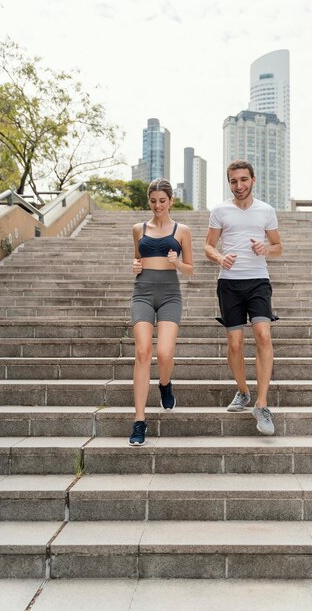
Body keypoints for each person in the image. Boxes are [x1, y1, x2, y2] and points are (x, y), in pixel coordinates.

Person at [204, 160, 282, 435]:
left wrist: (266, 249)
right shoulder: (220, 211)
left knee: (263, 335)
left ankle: (261, 405)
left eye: (243, 180)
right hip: (229, 284)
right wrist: (220, 257)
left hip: (258, 281)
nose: (239, 186)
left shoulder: (266, 211)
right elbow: (208, 246)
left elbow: (278, 246)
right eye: (234, 181)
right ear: (229, 183)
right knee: (235, 344)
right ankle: (242, 391)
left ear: (253, 179)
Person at [129, 178, 193, 446]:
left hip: (169, 295)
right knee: (143, 352)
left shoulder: (182, 230)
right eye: (153, 201)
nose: (157, 205)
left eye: (162, 201)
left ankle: (165, 384)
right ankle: (139, 421)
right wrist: (135, 265)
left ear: (171, 201)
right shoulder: (137, 229)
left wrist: (176, 262)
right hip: (142, 292)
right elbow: (137, 258)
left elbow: (190, 268)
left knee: (165, 353)